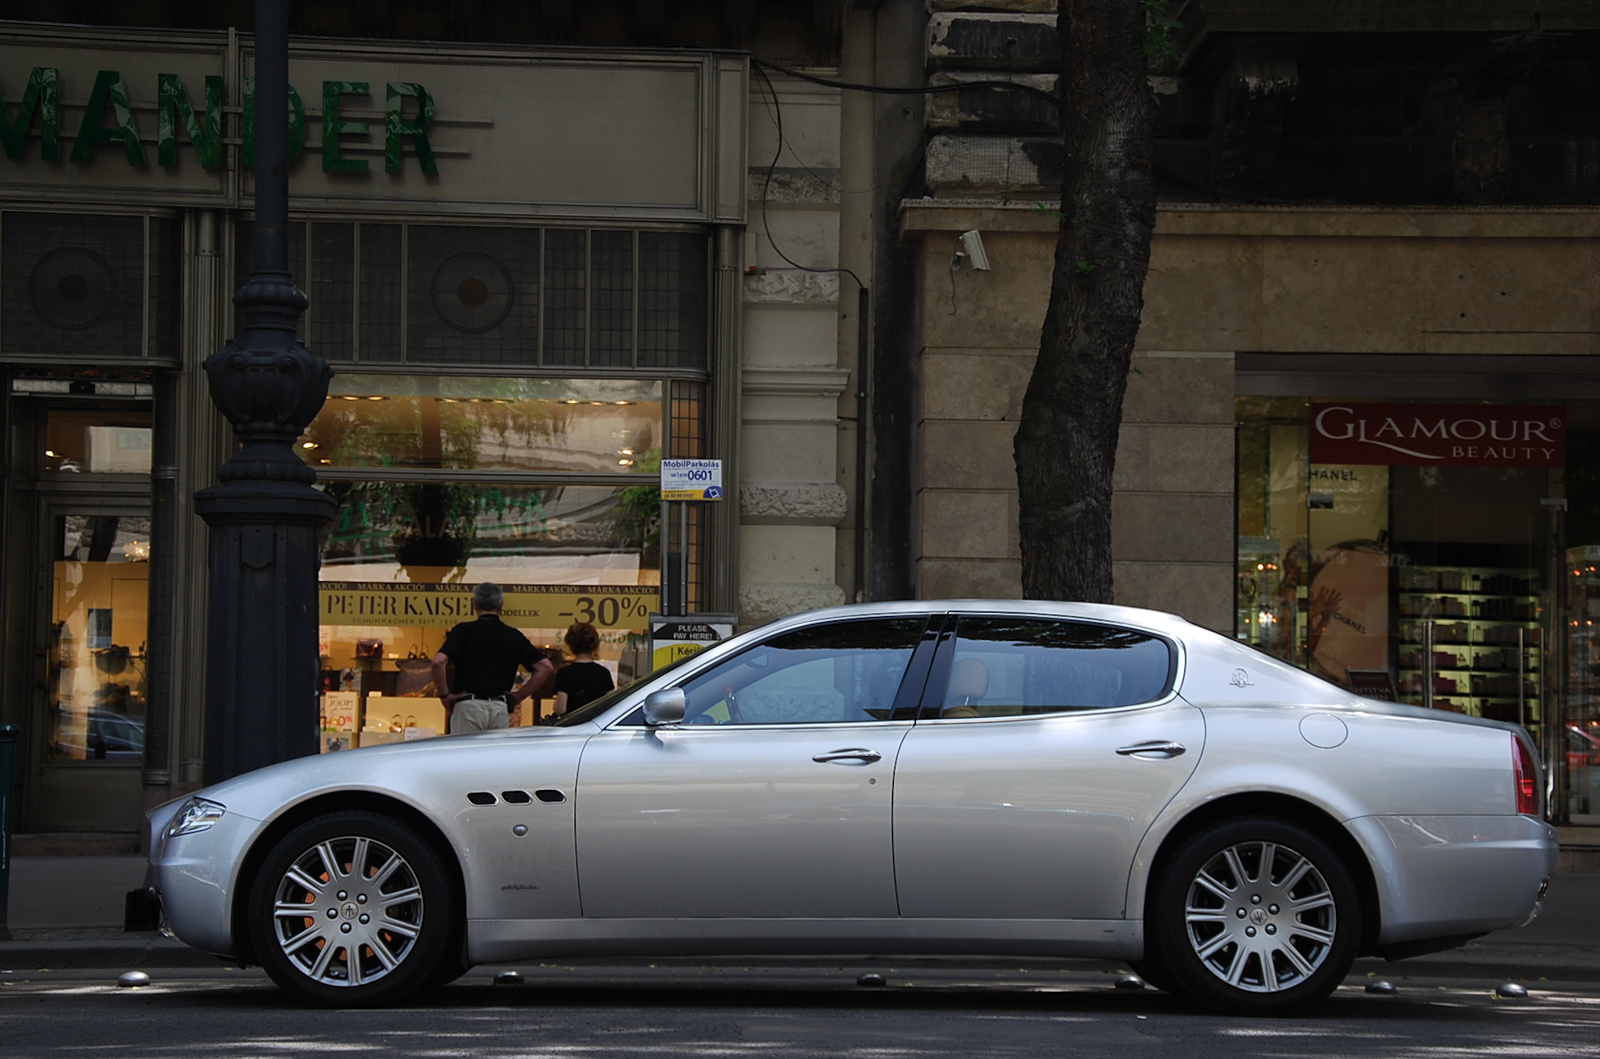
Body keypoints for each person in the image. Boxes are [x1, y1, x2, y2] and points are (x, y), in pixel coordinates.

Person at [431, 582, 555, 734]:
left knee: (465, 756)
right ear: (501, 605)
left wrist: (445, 695)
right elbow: (545, 667)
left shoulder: (463, 631)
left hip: (469, 706)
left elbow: (438, 662)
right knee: (495, 756)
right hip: (499, 707)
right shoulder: (512, 635)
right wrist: (519, 696)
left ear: (474, 604)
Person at [553, 621, 614, 718]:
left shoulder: (565, 673)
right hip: (596, 726)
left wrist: (555, 705)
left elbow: (561, 709)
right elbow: (611, 705)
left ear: (571, 646)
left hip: (573, 726)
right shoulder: (603, 673)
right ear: (595, 645)